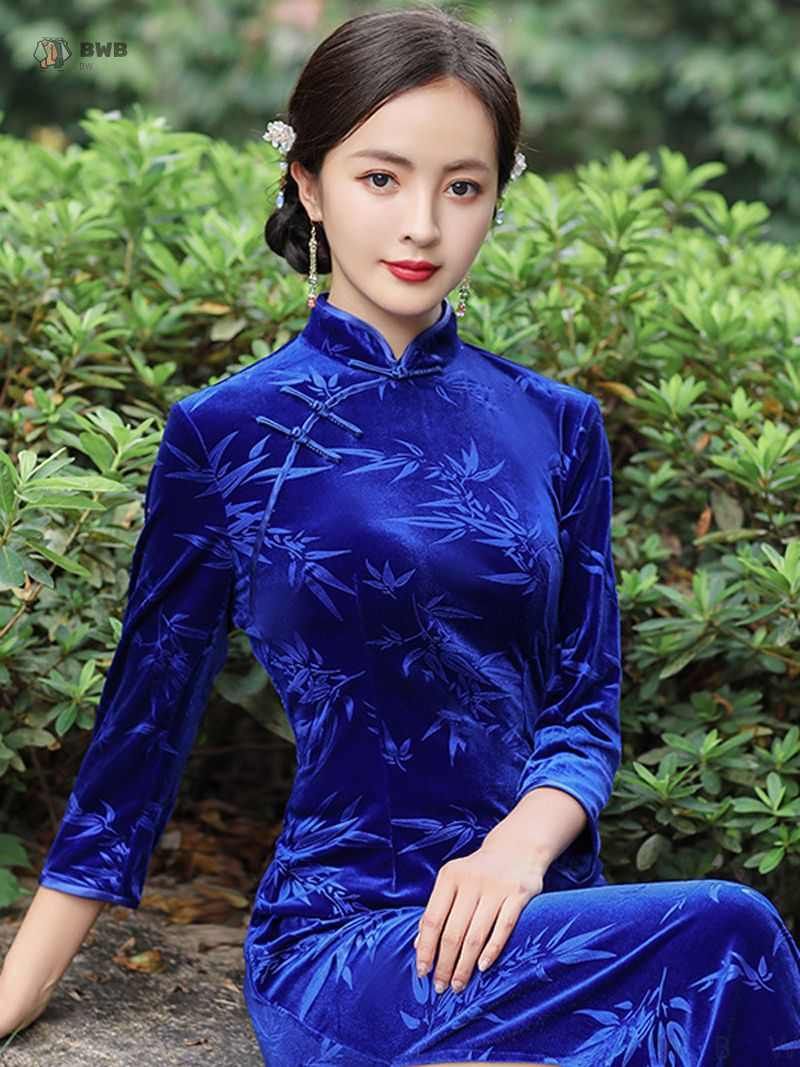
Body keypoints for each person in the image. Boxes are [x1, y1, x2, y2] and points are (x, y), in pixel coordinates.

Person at [3, 5, 800, 1065]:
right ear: (308, 183)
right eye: (381, 178)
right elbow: (139, 740)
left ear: (496, 198)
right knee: (732, 927)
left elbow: (582, 708)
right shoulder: (228, 434)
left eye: (461, 187)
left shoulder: (558, 426)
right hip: (353, 935)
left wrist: (516, 851)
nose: (422, 224)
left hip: (540, 920)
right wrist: (17, 989)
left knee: (712, 956)